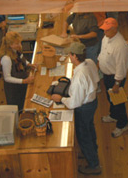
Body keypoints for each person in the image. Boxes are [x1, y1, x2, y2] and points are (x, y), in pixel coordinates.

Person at [51, 42, 101, 176]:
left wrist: (60, 99)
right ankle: (92, 151)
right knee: (90, 128)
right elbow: (95, 79)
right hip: (92, 102)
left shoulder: (79, 77)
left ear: (74, 56)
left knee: (83, 135)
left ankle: (94, 164)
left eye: (69, 54)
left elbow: (74, 103)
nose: (69, 56)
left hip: (83, 108)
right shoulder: (89, 62)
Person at [98, 18, 128, 138]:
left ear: (114, 29)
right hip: (106, 76)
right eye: (104, 29)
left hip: (115, 79)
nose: (104, 32)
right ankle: (113, 115)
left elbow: (122, 67)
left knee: (118, 102)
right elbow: (102, 53)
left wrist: (117, 84)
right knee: (110, 99)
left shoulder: (120, 46)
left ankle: (122, 124)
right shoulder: (106, 38)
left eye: (107, 30)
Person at [0, 31, 37, 110]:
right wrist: (24, 81)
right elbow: (7, 78)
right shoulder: (6, 59)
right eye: (17, 43)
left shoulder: (17, 50)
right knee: (18, 106)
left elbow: (22, 59)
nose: (19, 45)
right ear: (10, 45)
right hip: (14, 88)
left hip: (22, 82)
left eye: (20, 42)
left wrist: (29, 64)